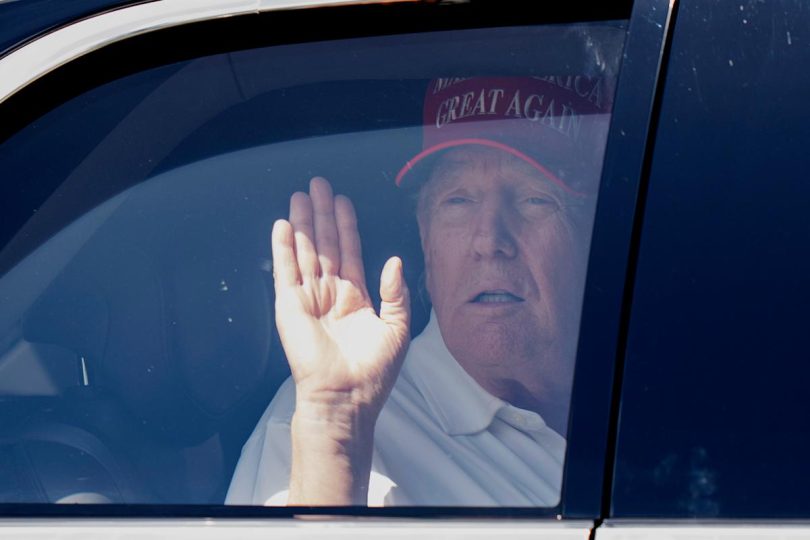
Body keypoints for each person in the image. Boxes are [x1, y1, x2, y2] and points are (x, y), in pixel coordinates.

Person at [226, 76, 612, 506]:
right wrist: (335, 432)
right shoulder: (322, 422)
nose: (489, 240)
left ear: (595, 232)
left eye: (533, 198)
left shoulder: (654, 384)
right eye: (458, 201)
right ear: (425, 238)